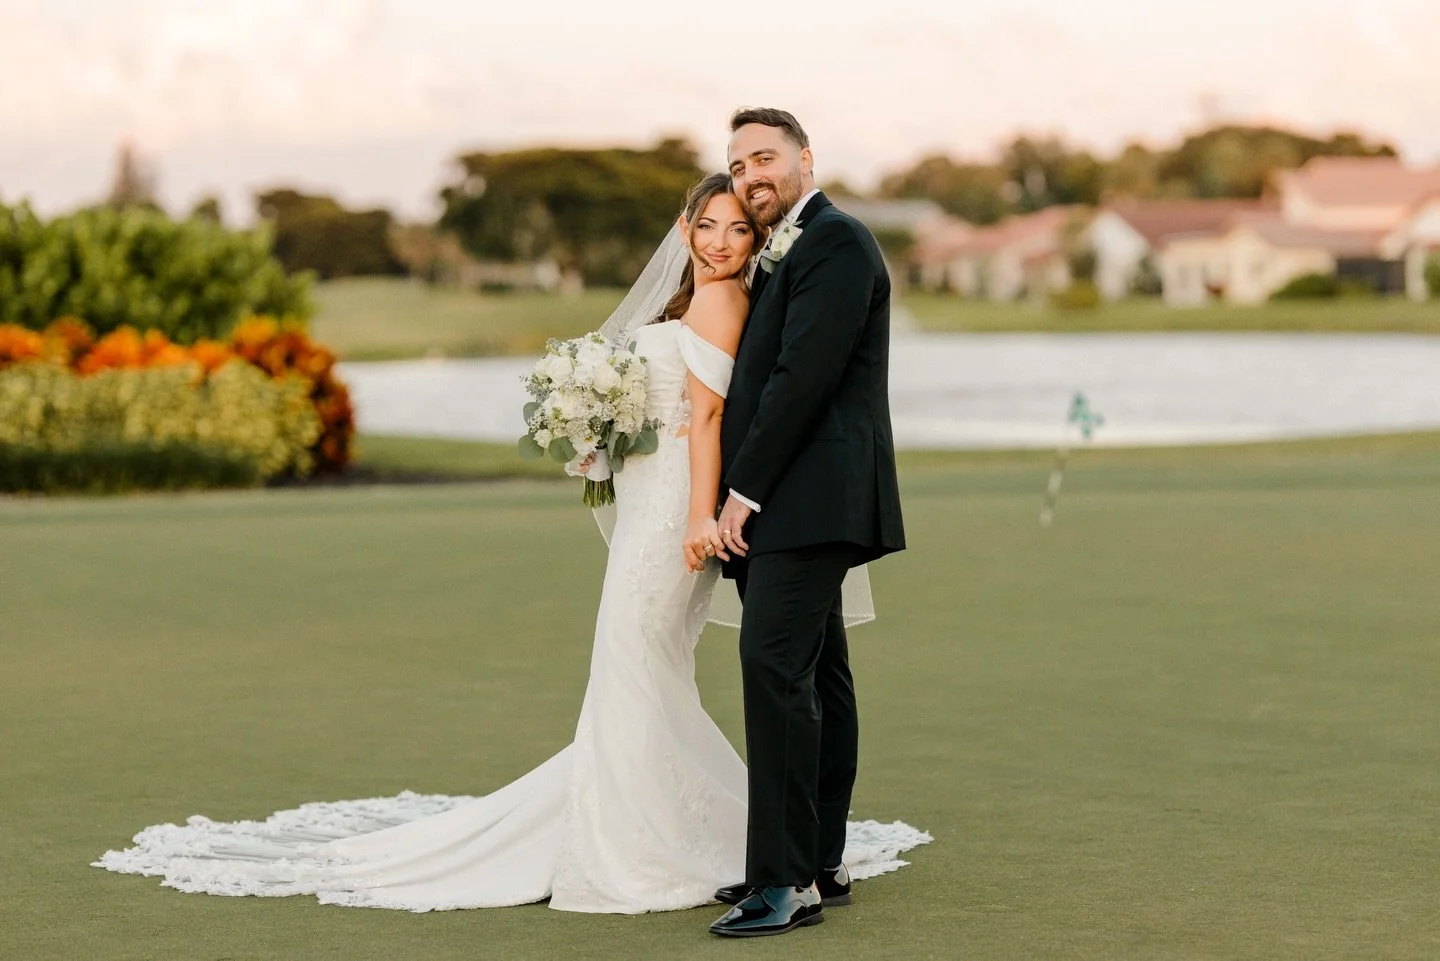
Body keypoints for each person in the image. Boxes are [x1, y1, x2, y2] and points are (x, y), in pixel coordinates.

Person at [93, 172, 927, 915]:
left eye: (736, 229)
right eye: (706, 226)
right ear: (682, 231)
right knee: (635, 670)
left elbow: (709, 418)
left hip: (677, 517)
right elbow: (671, 406)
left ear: (753, 240)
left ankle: (654, 845)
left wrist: (700, 519)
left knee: (638, 665)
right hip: (651, 503)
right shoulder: (689, 300)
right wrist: (601, 433)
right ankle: (694, 829)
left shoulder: (725, 299)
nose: (719, 241)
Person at [707, 107, 907, 938]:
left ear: (805, 158)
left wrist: (740, 492)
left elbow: (803, 377)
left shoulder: (836, 240)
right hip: (799, 495)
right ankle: (821, 857)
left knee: (774, 665)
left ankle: (785, 882)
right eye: (738, 163)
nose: (751, 173)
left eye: (765, 156)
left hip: (809, 495)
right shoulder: (785, 246)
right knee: (820, 672)